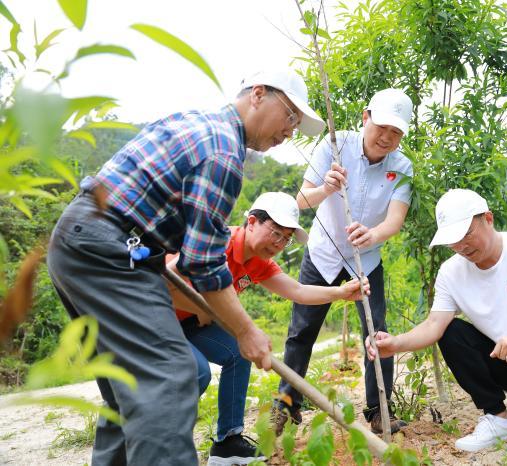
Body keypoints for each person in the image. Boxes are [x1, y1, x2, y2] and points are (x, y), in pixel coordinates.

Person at [46, 69, 325, 465]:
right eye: (290, 116)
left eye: (298, 124)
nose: (290, 132)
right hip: (109, 248)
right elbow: (202, 263)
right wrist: (246, 331)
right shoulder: (224, 153)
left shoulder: (195, 123)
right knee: (172, 376)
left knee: (127, 388)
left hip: (83, 239)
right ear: (258, 94)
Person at [365, 189, 507, 452]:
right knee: (450, 331)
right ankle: (497, 418)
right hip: (503, 366)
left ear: (488, 218)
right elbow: (433, 326)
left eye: (466, 234)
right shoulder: (451, 272)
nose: (461, 246)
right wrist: (395, 344)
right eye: (452, 240)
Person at [166, 192, 368, 465]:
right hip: (158, 313)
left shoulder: (258, 262)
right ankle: (161, 445)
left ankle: (228, 443)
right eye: (276, 233)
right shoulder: (217, 242)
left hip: (190, 322)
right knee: (196, 371)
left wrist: (341, 292)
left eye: (285, 239)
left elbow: (297, 291)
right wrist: (202, 308)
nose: (279, 244)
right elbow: (163, 280)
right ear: (251, 222)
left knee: (238, 353)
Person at [275, 88, 414, 435]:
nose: (387, 137)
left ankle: (379, 410)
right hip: (322, 253)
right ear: (366, 117)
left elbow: (395, 221)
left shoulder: (402, 167)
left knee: (376, 334)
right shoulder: (335, 145)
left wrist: (374, 235)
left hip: (365, 259)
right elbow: (301, 200)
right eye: (382, 126)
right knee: (302, 331)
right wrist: (325, 188)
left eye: (396, 132)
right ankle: (286, 405)